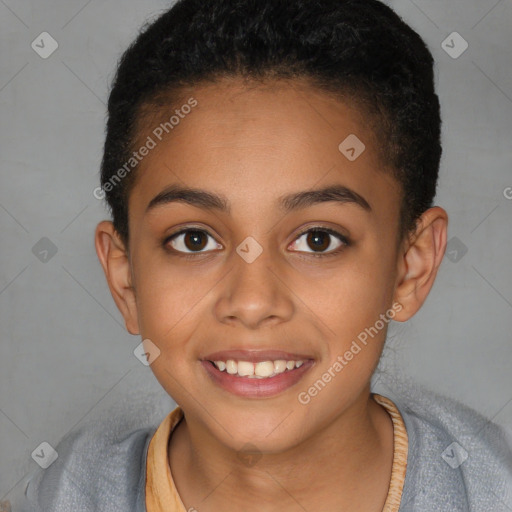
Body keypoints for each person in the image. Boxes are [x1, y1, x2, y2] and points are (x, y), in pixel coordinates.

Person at [22, 0, 512, 510]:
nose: (253, 303)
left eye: (318, 240)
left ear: (411, 267)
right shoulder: (59, 495)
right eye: (194, 240)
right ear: (125, 280)